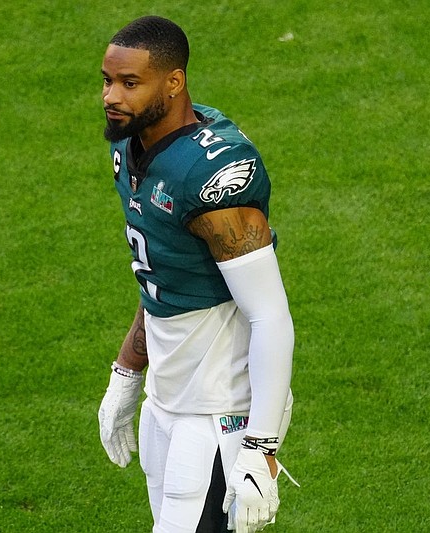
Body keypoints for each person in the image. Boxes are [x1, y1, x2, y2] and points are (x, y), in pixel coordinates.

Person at [96, 16, 296, 533]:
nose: (111, 96)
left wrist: (261, 448)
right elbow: (163, 274)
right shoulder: (131, 143)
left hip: (218, 414)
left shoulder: (211, 177)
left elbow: (270, 316)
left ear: (174, 82)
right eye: (107, 80)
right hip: (168, 397)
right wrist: (128, 371)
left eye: (129, 83)